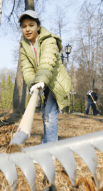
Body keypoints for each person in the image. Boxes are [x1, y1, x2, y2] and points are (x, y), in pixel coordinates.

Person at [19, 10, 71, 144]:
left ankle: (50, 148)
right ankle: (48, 143)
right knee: (45, 114)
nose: (27, 29)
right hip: (41, 82)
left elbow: (47, 61)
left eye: (31, 25)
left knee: (50, 114)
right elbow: (27, 68)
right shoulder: (24, 46)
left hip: (55, 82)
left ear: (38, 26)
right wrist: (32, 84)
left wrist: (40, 81)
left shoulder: (49, 40)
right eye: (24, 26)